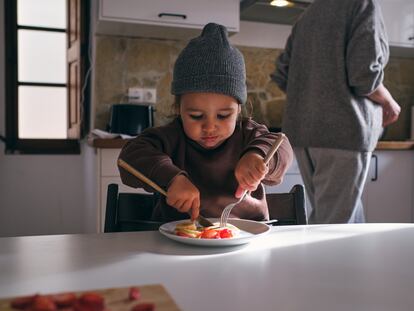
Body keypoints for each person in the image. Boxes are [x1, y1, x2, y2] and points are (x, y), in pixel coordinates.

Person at [118, 23, 293, 223]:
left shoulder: (249, 134)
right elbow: (130, 156)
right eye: (196, 116)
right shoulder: (170, 136)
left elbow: (283, 147)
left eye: (223, 115)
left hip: (249, 237)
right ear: (178, 109)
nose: (210, 127)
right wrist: (172, 178)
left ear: (238, 110)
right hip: (176, 241)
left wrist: (258, 156)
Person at [271, 0, 401, 224]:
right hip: (343, 132)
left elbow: (282, 74)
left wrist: (313, 97)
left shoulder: (308, 14)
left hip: (304, 133)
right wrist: (389, 101)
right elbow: (364, 75)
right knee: (337, 226)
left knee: (330, 220)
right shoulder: (362, 4)